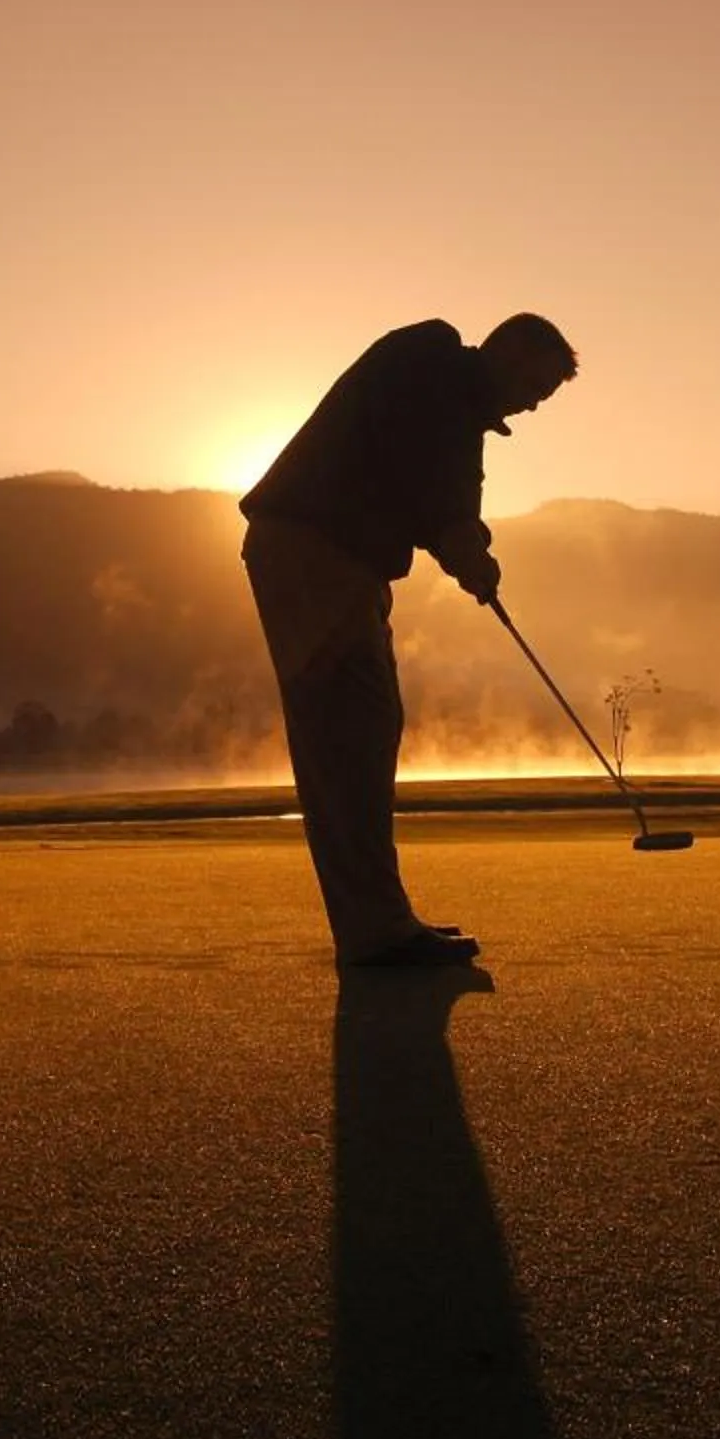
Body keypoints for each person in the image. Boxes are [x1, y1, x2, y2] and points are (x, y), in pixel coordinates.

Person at [240, 314, 580, 967]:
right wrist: (460, 547)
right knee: (351, 733)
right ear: (506, 352)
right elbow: (422, 471)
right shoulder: (431, 357)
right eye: (535, 385)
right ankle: (376, 934)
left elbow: (453, 501)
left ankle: (379, 924)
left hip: (341, 561)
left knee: (364, 729)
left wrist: (471, 549)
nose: (535, 403)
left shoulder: (462, 411)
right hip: (313, 553)